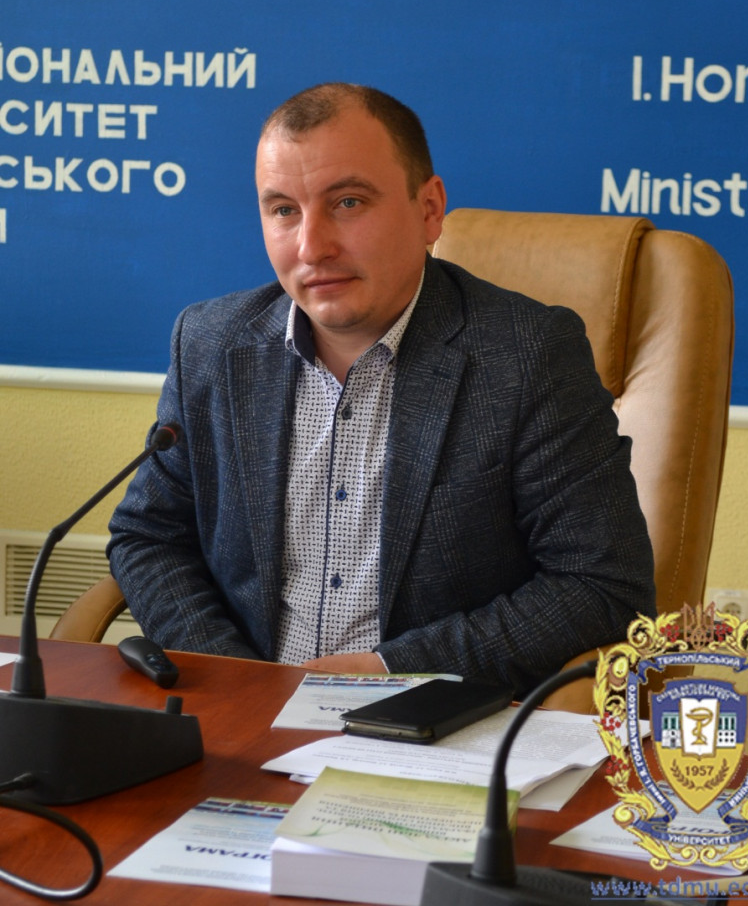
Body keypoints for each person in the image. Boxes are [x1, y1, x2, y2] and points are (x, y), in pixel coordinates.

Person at [108, 83, 655, 693]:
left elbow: (602, 585)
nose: (312, 247)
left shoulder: (526, 356)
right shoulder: (211, 344)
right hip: (239, 708)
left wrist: (395, 670)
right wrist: (237, 681)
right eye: (283, 210)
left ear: (429, 210)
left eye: (347, 202)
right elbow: (148, 537)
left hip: (427, 719)